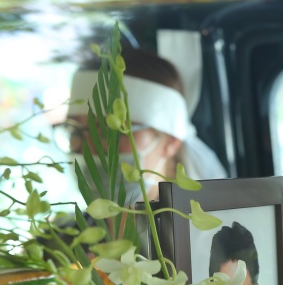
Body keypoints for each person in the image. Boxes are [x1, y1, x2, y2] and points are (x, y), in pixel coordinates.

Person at [63, 46, 227, 206]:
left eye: (108, 133)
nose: (87, 151)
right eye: (75, 131)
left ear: (170, 142)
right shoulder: (59, 232)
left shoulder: (209, 233)